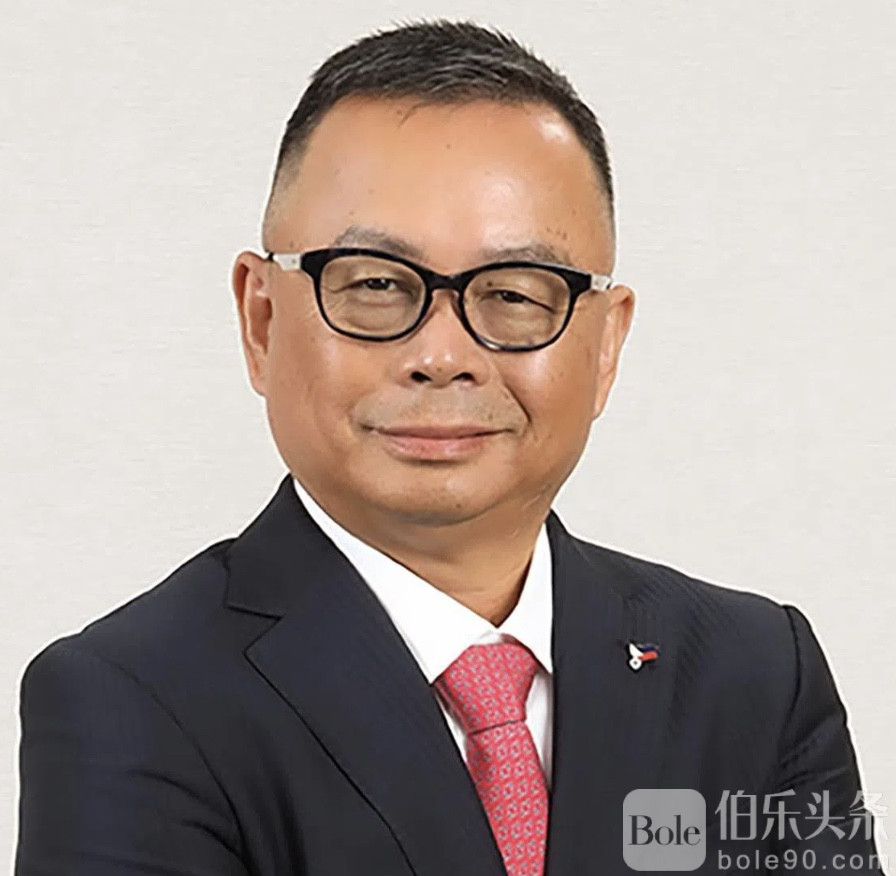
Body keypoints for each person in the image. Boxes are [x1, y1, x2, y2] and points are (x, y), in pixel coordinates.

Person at [14, 19, 884, 876]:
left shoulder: (756, 675)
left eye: (514, 293)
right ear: (262, 320)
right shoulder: (130, 699)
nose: (441, 356)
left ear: (606, 345)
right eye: (375, 284)